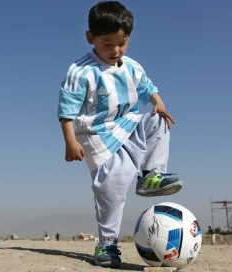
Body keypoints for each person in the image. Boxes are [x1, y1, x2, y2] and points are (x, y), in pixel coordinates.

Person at [56, 1, 183, 268]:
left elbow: (147, 86)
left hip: (126, 123)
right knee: (112, 186)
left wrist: (158, 102)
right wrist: (70, 140)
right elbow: (66, 108)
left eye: (122, 43)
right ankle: (107, 244)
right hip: (96, 134)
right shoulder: (81, 72)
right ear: (90, 38)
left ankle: (151, 175)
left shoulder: (131, 67)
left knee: (158, 120)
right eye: (107, 43)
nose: (115, 50)